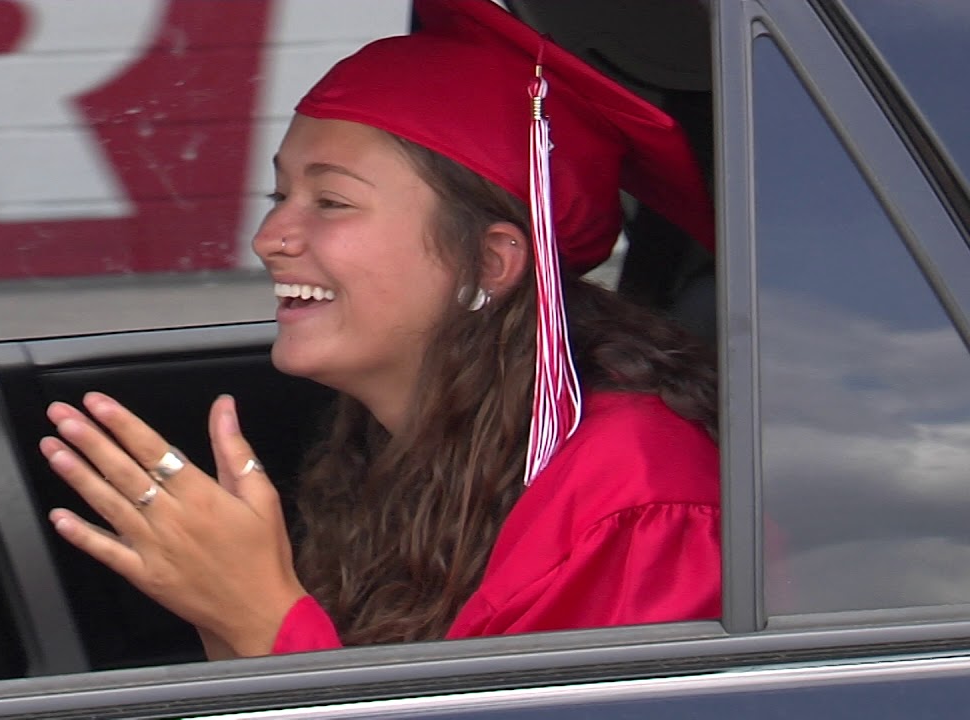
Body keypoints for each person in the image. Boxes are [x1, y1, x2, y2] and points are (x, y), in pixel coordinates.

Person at [38, 0, 720, 659]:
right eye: (281, 197)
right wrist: (224, 611)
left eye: (330, 202)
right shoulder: (409, 455)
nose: (269, 237)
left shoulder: (637, 501)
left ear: (489, 261)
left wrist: (260, 618)